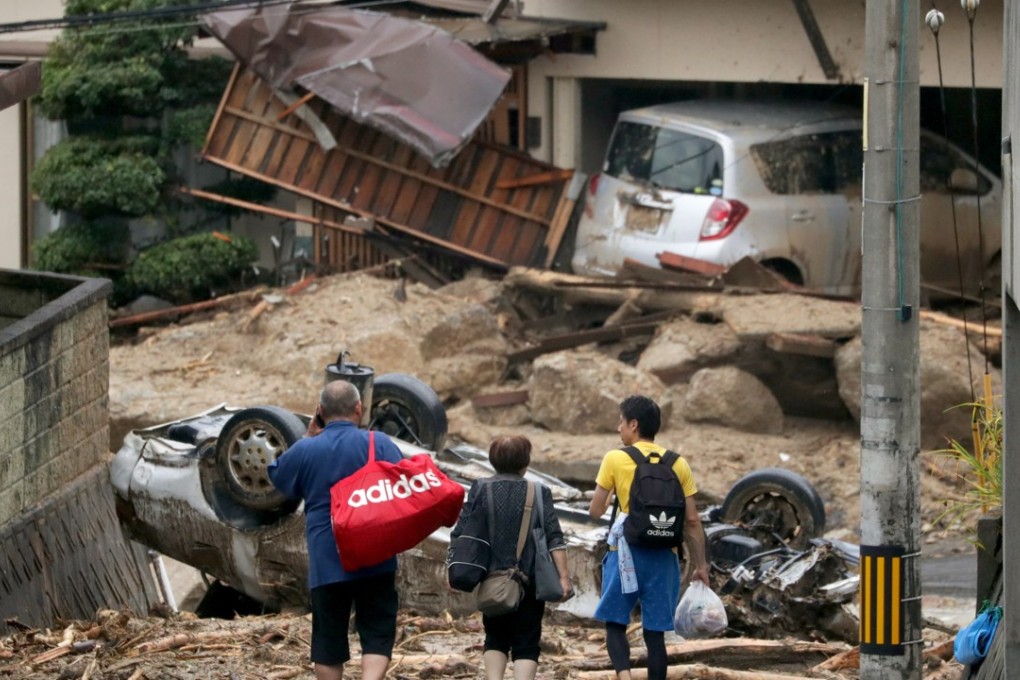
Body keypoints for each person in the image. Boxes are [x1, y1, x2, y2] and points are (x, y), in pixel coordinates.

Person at [267, 380, 404, 680]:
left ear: (320, 411)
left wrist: (306, 436)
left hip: (328, 558)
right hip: (376, 553)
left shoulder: (306, 449)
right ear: (359, 409)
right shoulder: (377, 443)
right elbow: (403, 485)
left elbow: (277, 478)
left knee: (328, 639)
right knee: (378, 630)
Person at [588, 395, 710, 680]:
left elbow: (595, 511)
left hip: (624, 555)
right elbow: (692, 521)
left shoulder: (615, 458)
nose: (618, 428)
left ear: (634, 424)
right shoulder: (678, 463)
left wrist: (614, 498)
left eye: (621, 421)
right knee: (655, 634)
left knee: (616, 624)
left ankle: (624, 676)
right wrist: (701, 566)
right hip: (664, 557)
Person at [449, 435, 572, 680]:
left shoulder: (481, 488)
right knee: (527, 640)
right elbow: (554, 537)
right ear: (524, 463)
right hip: (530, 580)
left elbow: (461, 532)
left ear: (493, 461)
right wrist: (564, 577)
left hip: (493, 580)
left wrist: (451, 569)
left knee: (494, 636)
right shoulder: (539, 491)